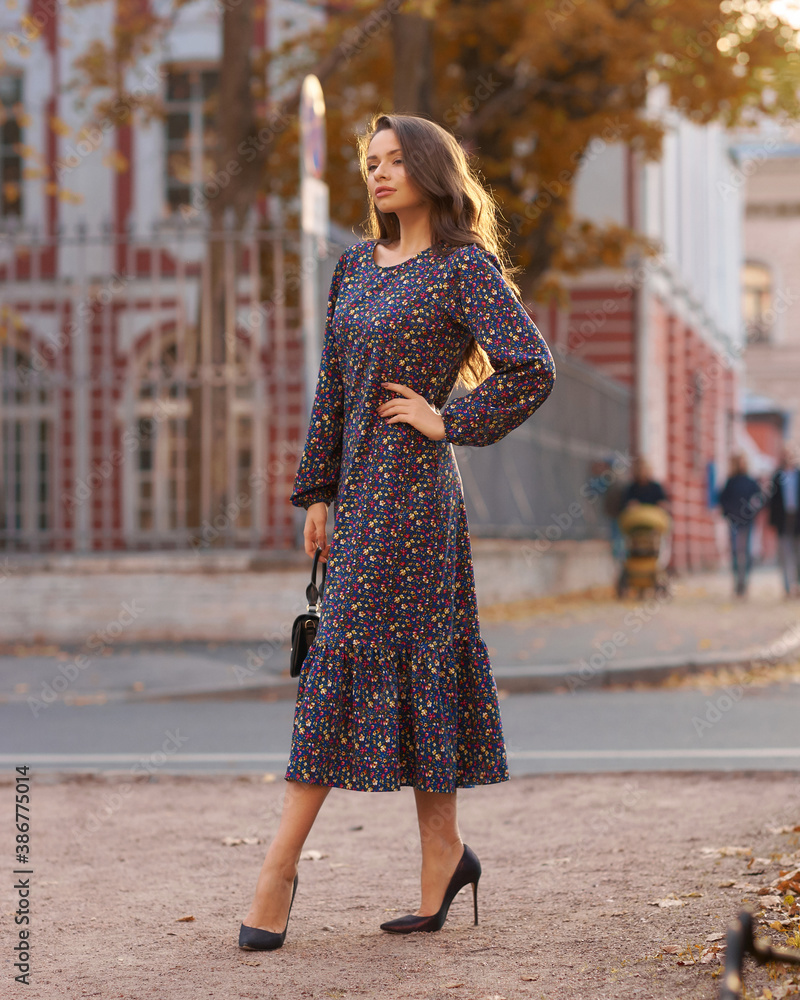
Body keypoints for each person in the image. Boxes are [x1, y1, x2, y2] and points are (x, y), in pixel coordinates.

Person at [237, 112, 556, 950]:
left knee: (374, 663)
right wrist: (318, 490)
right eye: (368, 162)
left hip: (417, 500)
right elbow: (333, 385)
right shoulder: (352, 265)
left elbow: (534, 365)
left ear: (428, 168)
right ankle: (442, 857)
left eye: (392, 160)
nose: (377, 174)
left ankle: (279, 870)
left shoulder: (462, 268)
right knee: (357, 662)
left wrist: (450, 420)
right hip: (360, 495)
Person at [718, 453, 764, 597]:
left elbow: (760, 499)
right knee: (735, 552)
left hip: (748, 521)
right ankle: (737, 581)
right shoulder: (730, 482)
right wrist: (728, 513)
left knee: (748, 552)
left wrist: (752, 511)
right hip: (734, 521)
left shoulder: (751, 482)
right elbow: (723, 500)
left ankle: (745, 581)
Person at [768, 445, 800, 599]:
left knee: (798, 555)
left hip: (798, 519)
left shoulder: (799, 474)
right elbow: (771, 501)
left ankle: (798, 587)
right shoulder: (777, 476)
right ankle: (787, 588)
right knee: (785, 555)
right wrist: (772, 522)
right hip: (783, 519)